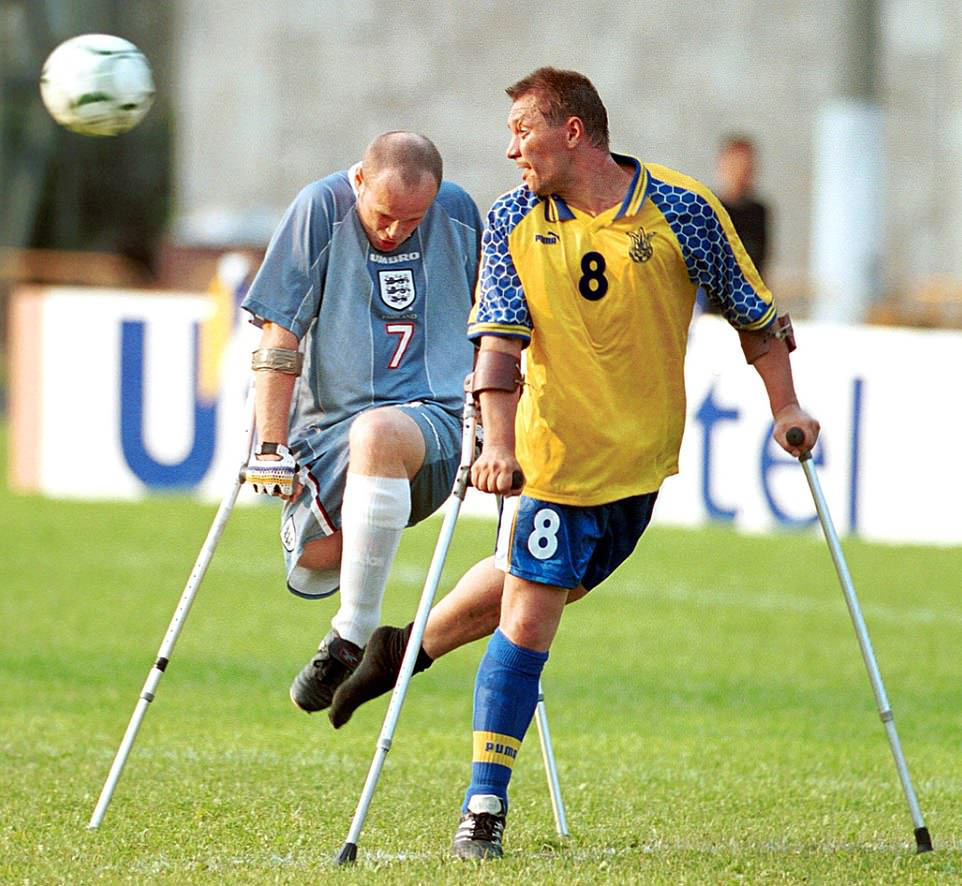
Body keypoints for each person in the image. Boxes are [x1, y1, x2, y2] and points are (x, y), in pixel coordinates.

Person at [331, 68, 820, 860]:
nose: (509, 148)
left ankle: (406, 647)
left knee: (543, 585)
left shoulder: (686, 210)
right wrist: (500, 446)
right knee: (531, 611)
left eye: (522, 131)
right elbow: (498, 345)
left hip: (640, 463)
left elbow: (756, 318)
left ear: (572, 131)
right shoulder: (515, 216)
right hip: (548, 457)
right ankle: (483, 808)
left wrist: (787, 408)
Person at [241, 131, 481, 715]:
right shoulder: (319, 209)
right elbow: (280, 331)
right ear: (358, 182)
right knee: (317, 558)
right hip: (328, 431)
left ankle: (351, 636)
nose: (397, 230)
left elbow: (494, 323)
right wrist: (269, 444)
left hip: (437, 423)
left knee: (379, 432)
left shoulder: (460, 213)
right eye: (385, 214)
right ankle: (361, 578)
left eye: (413, 218)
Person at [698, 134, 770, 314]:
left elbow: (761, 264)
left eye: (747, 167)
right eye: (736, 166)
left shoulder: (759, 212)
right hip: (711, 311)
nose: (742, 173)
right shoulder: (707, 208)